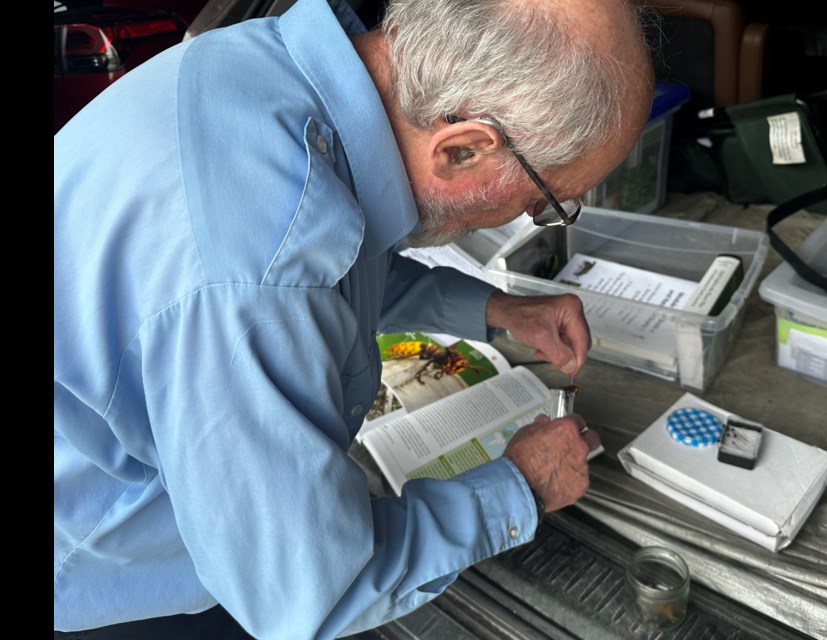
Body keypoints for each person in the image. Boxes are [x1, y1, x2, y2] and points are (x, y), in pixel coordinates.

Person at [53, 0, 654, 637]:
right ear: (463, 149)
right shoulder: (260, 279)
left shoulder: (284, 71)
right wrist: (522, 486)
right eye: (544, 202)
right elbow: (311, 596)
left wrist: (495, 308)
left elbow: (332, 268)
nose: (530, 218)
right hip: (108, 576)